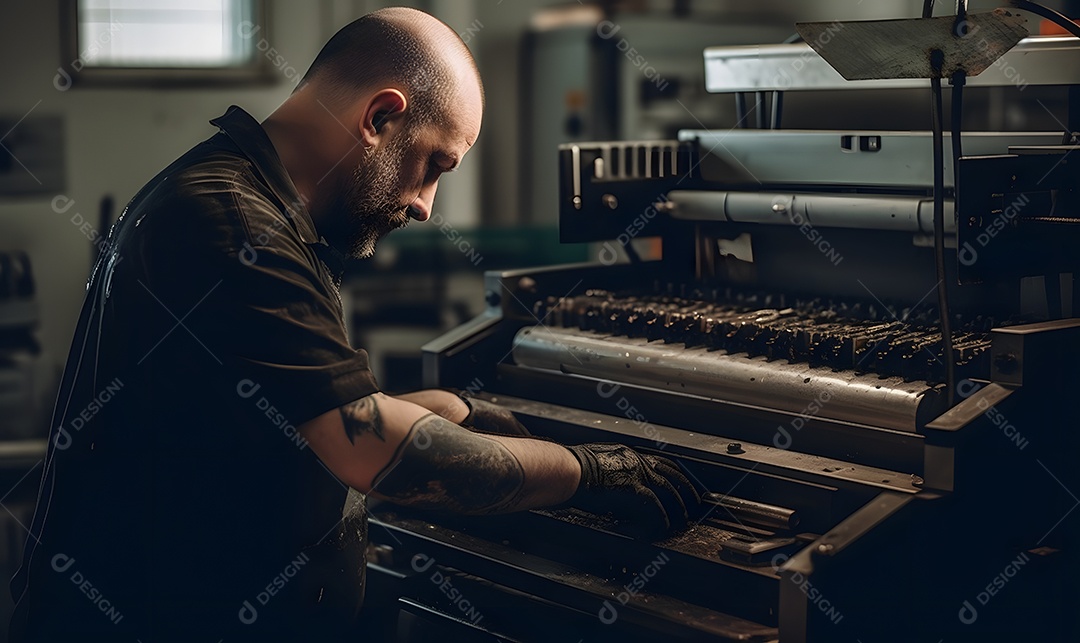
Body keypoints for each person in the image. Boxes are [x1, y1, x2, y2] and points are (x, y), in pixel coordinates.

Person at [9, 7, 698, 642]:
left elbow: (301, 415)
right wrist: (592, 471)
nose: (428, 204)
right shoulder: (235, 225)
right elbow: (381, 455)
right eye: (434, 164)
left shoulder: (240, 197)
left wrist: (453, 408)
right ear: (380, 117)